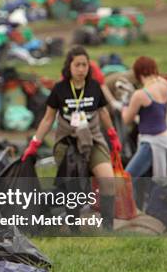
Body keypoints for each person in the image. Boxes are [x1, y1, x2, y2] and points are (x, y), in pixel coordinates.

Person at [21, 46, 122, 229]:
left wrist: (113, 136)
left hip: (93, 139)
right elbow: (48, 118)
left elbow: (104, 113)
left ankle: (108, 227)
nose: (81, 69)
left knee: (107, 179)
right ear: (69, 67)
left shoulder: (94, 87)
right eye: (77, 65)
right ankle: (74, 227)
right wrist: (35, 143)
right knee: (71, 187)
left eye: (85, 65)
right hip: (67, 141)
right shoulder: (59, 89)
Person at [123, 56, 167, 180]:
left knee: (126, 179)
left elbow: (126, 119)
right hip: (166, 139)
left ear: (138, 73)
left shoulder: (141, 95)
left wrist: (124, 104)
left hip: (151, 143)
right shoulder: (165, 84)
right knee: (150, 182)